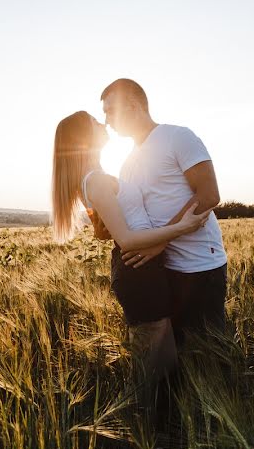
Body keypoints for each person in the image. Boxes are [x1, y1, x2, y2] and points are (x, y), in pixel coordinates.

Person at [50, 110, 213, 417]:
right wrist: (183, 227)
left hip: (145, 269)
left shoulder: (97, 175)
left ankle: (151, 434)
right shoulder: (95, 180)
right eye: (94, 122)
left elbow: (114, 227)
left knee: (164, 361)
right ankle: (138, 435)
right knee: (150, 367)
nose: (103, 123)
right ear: (83, 138)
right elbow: (126, 239)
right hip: (137, 271)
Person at [96, 78, 229, 351]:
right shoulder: (127, 162)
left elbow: (208, 195)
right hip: (160, 271)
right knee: (177, 359)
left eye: (110, 110)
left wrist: (159, 242)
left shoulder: (178, 137)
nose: (106, 120)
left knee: (209, 357)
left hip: (199, 267)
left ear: (132, 106)